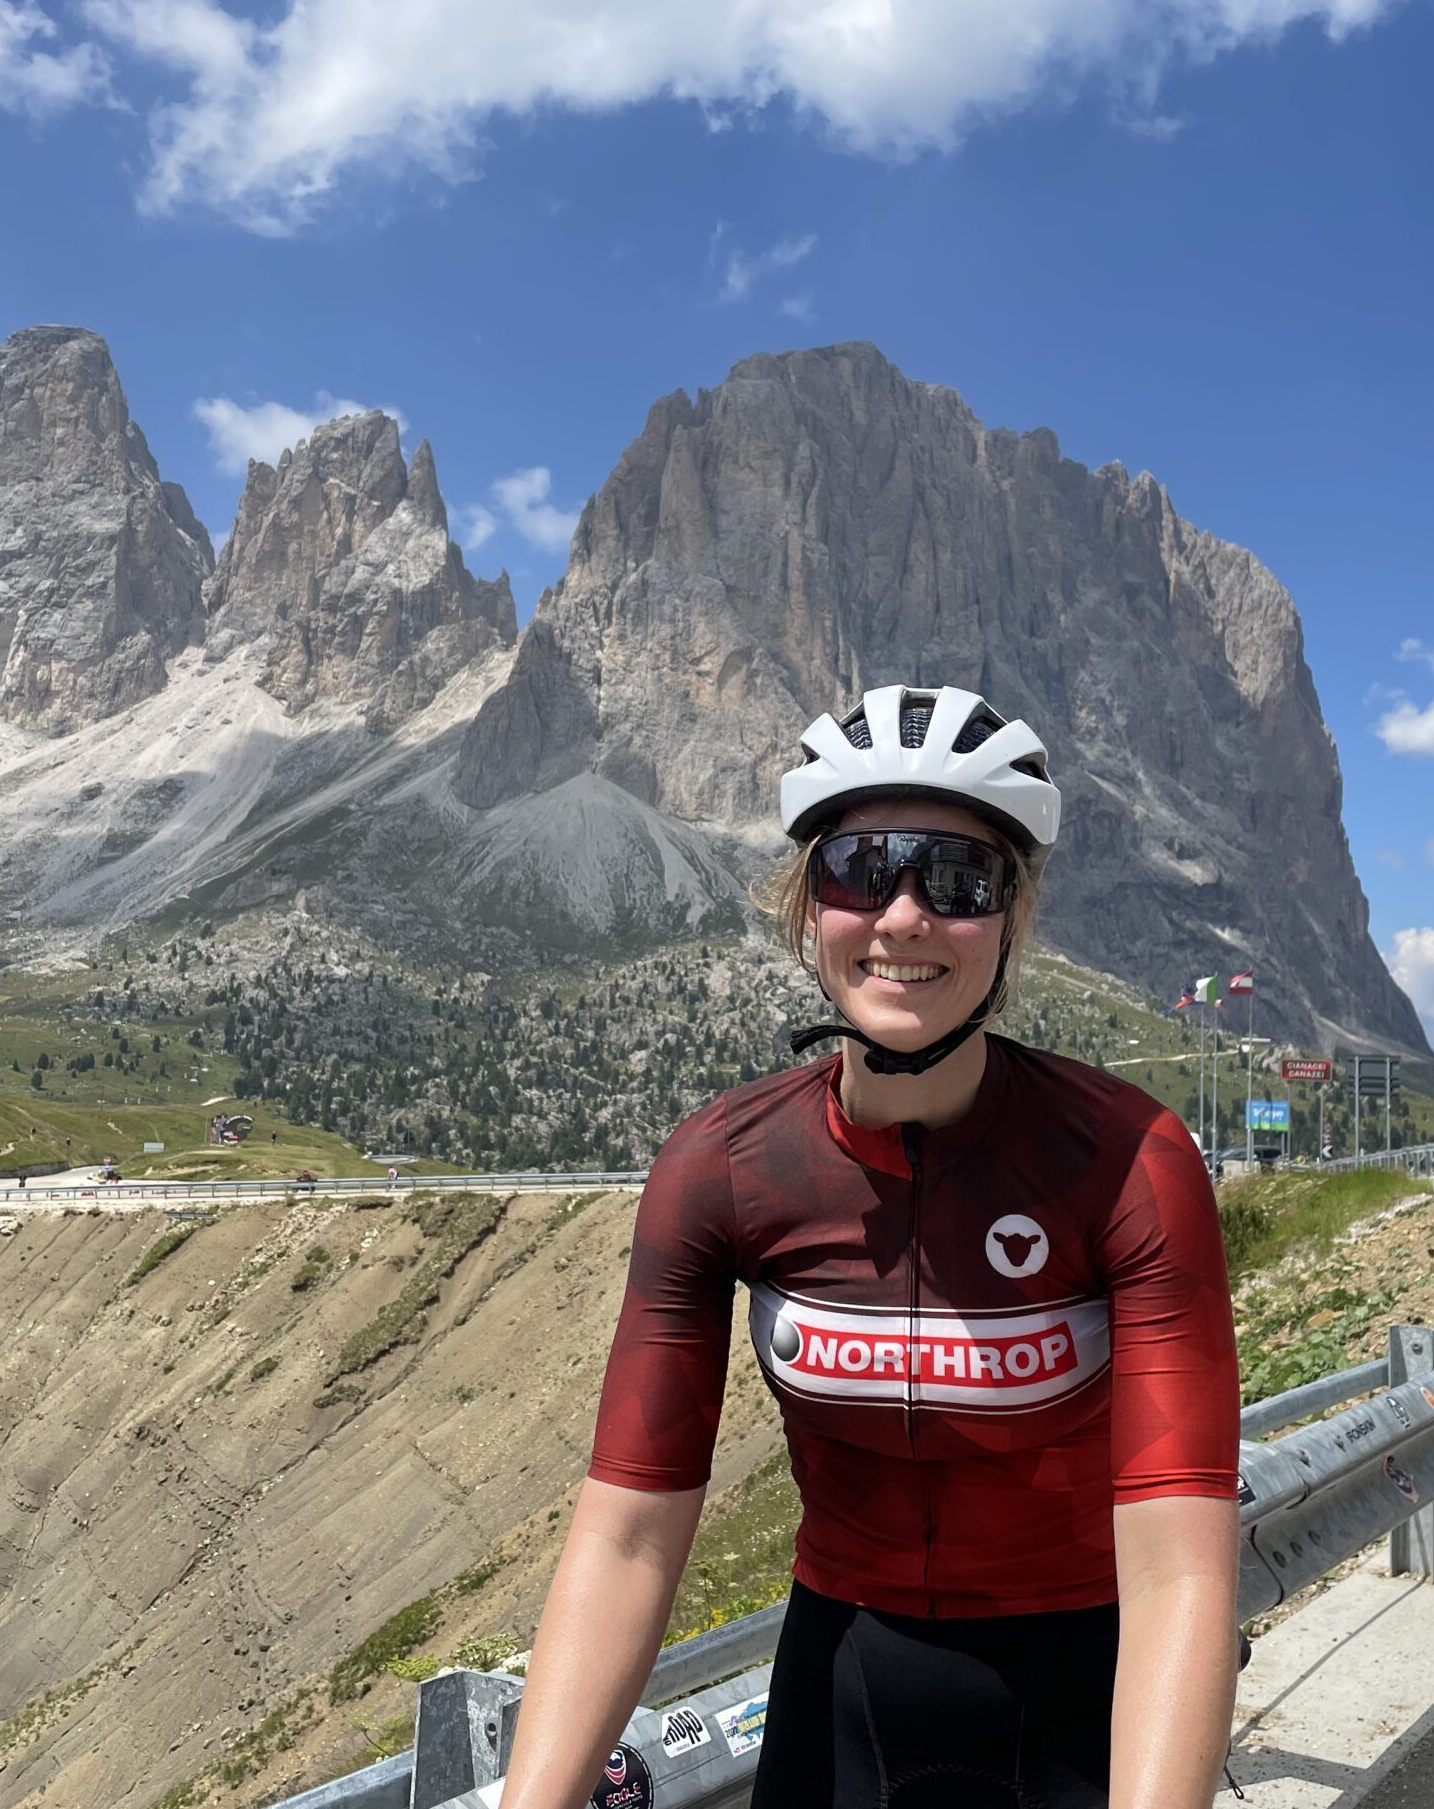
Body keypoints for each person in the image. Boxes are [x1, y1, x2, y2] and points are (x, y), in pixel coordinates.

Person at [502, 686, 1242, 1809]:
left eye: (955, 878)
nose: (903, 918)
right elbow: (627, 1540)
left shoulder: (1129, 1159)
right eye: (860, 869)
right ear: (809, 906)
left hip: (1082, 1702)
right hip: (836, 1699)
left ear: (1010, 915)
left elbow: (1180, 1565)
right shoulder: (724, 1166)